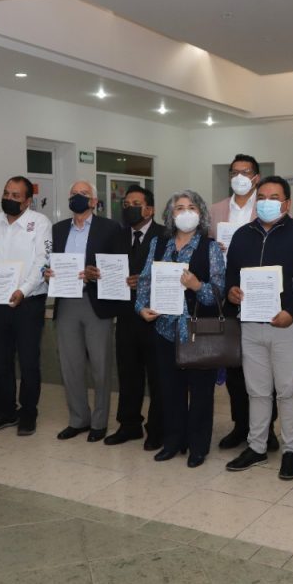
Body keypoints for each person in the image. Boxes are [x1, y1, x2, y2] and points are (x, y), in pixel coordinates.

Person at [224, 176, 293, 481]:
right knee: (257, 390)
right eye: (262, 197)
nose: (267, 202)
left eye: (274, 197)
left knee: (287, 390)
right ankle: (257, 446)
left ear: (287, 203)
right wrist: (231, 292)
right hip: (251, 323)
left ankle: (290, 450)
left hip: (287, 324)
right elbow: (230, 276)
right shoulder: (242, 235)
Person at [135, 190, 225, 468]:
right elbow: (145, 280)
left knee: (201, 392)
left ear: (201, 214)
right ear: (170, 215)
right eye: (179, 208)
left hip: (198, 330)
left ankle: (198, 446)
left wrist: (197, 286)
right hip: (164, 328)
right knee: (169, 390)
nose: (185, 212)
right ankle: (173, 441)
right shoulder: (158, 244)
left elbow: (218, 294)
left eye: (191, 207)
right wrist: (141, 307)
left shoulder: (210, 248)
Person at [0, 176, 52, 436]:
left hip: (27, 302)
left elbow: (43, 261)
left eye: (16, 195)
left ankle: (28, 412)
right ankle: (6, 411)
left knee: (28, 361)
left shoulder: (40, 222)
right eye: (7, 193)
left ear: (28, 201)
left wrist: (23, 290)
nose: (9, 198)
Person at [208, 154, 278, 451]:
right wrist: (213, 248)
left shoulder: (265, 207)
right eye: (234, 172)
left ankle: (267, 429)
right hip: (225, 294)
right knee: (234, 365)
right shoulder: (215, 210)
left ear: (256, 177)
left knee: (263, 366)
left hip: (258, 294)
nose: (239, 177)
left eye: (245, 172)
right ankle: (241, 425)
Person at [50, 181, 123, 443]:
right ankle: (78, 419)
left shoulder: (110, 228)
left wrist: (98, 273)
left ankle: (100, 422)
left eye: (83, 194)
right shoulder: (58, 229)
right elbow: (50, 260)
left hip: (96, 303)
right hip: (66, 301)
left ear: (93, 201)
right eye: (73, 194)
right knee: (70, 365)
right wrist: (47, 272)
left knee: (101, 366)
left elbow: (119, 266)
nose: (77, 198)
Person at [106, 185, 163, 449]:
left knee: (157, 376)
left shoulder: (164, 236)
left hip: (155, 317)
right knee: (128, 373)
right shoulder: (117, 236)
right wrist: (98, 274)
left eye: (135, 204)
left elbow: (172, 273)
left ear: (149, 209)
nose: (129, 208)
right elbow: (109, 268)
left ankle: (157, 428)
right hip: (126, 316)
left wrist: (146, 282)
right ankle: (129, 425)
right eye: (126, 204)